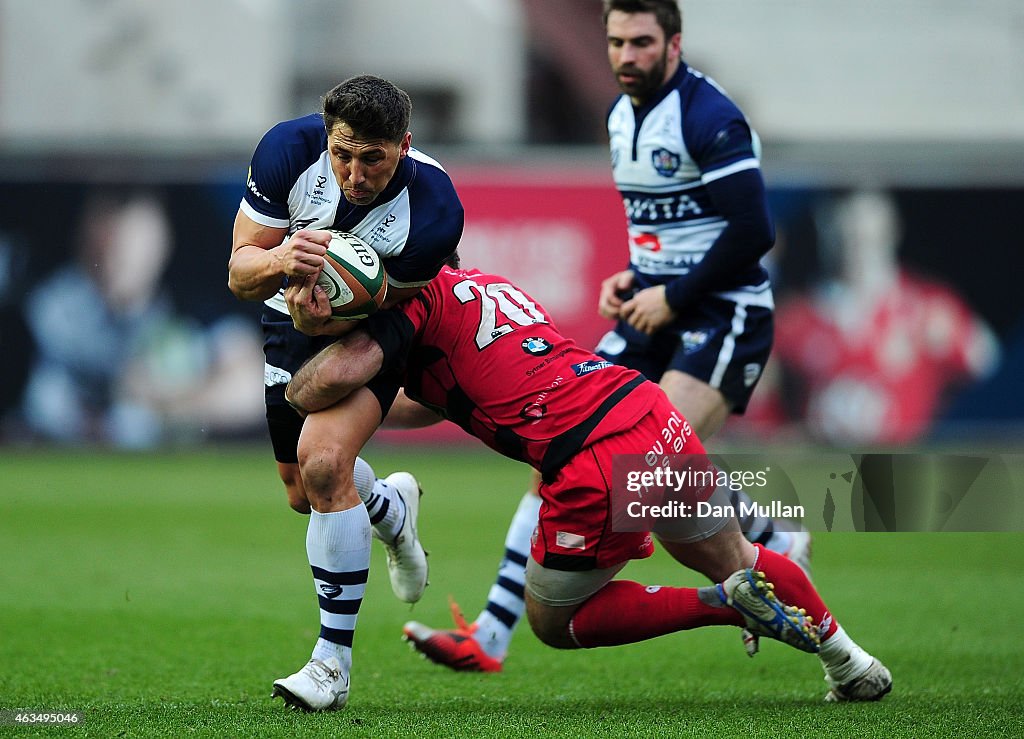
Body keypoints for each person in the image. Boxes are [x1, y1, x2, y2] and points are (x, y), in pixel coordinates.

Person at [284, 260, 892, 709]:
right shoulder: (488, 287)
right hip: (650, 412)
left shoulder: (405, 312)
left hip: (593, 464)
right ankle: (853, 666)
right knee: (740, 558)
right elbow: (433, 398)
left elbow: (322, 383)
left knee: (555, 622)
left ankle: (722, 606)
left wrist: (287, 385)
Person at [403, 0, 806, 673]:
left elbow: (752, 232)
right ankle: (492, 633)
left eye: (642, 42)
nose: (626, 56)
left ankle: (770, 540)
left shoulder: (711, 117)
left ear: (674, 42)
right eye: (617, 42)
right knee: (560, 449)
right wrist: (633, 276)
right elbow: (667, 227)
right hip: (654, 309)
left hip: (724, 314)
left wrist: (673, 292)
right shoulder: (621, 116)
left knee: (645, 467)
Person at [226, 75, 463, 708]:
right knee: (302, 492)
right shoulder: (285, 151)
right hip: (287, 305)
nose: (355, 173)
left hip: (377, 320)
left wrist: (327, 312)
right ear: (327, 137)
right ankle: (391, 509)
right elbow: (239, 271)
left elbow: (393, 307)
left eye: (373, 158)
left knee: (326, 463)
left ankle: (330, 664)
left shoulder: (435, 208)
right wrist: (282, 262)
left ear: (404, 146)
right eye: (343, 153)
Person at [773, 188, 1000, 444]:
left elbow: (984, 360)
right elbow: (759, 405)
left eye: (867, 238)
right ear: (826, 232)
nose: (856, 252)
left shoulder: (927, 309)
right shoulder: (795, 317)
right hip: (822, 470)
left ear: (891, 232)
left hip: (902, 468)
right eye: (845, 237)